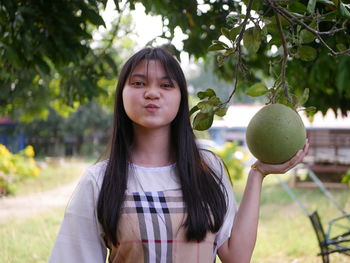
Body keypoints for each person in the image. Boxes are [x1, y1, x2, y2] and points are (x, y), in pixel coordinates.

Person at [48, 47, 309, 263]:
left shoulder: (208, 167)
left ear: (180, 98)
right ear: (122, 95)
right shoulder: (100, 180)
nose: (152, 92)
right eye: (139, 83)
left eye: (166, 84)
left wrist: (258, 174)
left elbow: (236, 256)